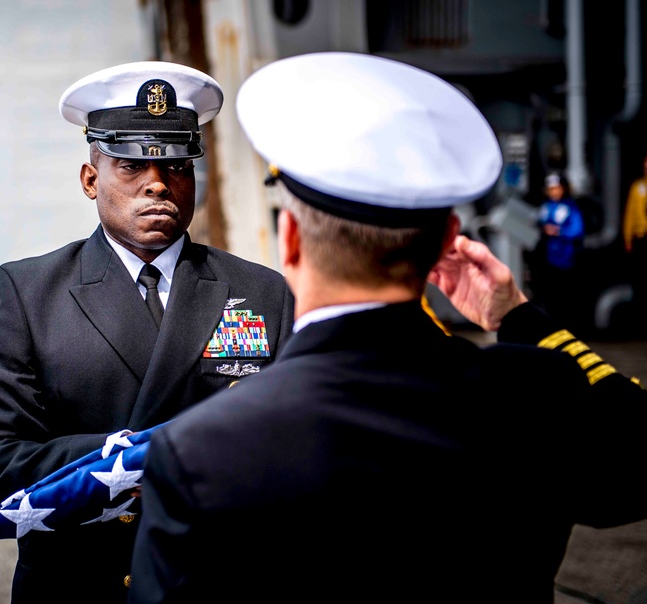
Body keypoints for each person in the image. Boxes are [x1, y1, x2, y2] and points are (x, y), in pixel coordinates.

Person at [127, 52, 647, 603]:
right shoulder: (539, 391)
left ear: (292, 239)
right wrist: (517, 317)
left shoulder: (202, 448)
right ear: (450, 237)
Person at [0, 61, 295, 603]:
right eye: (132, 165)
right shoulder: (26, 294)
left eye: (178, 166)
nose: (158, 182)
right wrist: (131, 461)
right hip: (82, 589)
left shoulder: (262, 293)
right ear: (91, 179)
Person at [532, 172, 584, 326]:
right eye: (551, 189)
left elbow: (577, 230)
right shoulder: (546, 207)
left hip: (565, 258)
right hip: (547, 258)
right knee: (548, 293)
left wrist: (558, 231)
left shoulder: (571, 208)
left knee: (565, 294)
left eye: (557, 188)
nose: (554, 192)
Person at [623, 155, 647, 318]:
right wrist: (628, 237)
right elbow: (630, 214)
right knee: (640, 279)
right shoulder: (637, 187)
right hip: (641, 237)